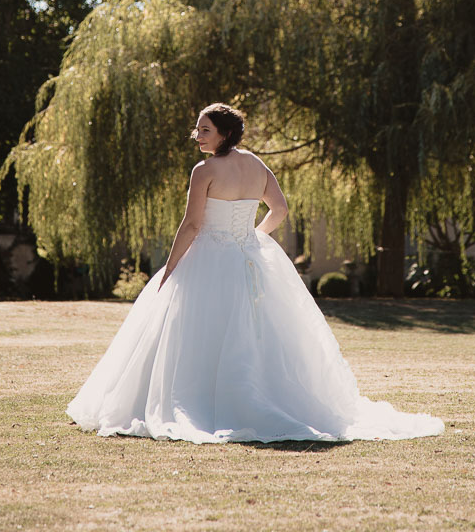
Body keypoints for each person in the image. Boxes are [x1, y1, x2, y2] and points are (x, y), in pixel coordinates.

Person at [66, 103, 444, 443]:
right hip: (247, 255)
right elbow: (279, 210)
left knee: (196, 330)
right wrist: (250, 239)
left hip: (209, 257)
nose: (197, 136)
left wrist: (171, 268)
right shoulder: (258, 166)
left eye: (205, 130)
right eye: (197, 129)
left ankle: (198, 404)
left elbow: (192, 225)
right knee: (256, 331)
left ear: (225, 134)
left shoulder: (205, 170)